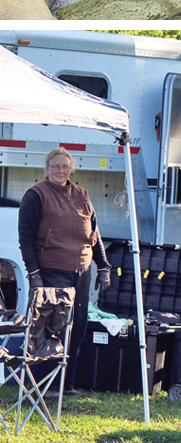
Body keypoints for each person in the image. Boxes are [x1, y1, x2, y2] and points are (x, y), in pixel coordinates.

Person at [18, 147, 111, 397]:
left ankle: (65, 385)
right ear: (47, 168)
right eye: (56, 166)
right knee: (53, 327)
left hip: (81, 270)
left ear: (71, 169)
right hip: (51, 270)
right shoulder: (36, 195)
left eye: (65, 166)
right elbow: (25, 238)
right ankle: (44, 386)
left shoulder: (82, 194)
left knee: (78, 327)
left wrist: (103, 267)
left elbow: (95, 234)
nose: (61, 170)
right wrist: (34, 274)